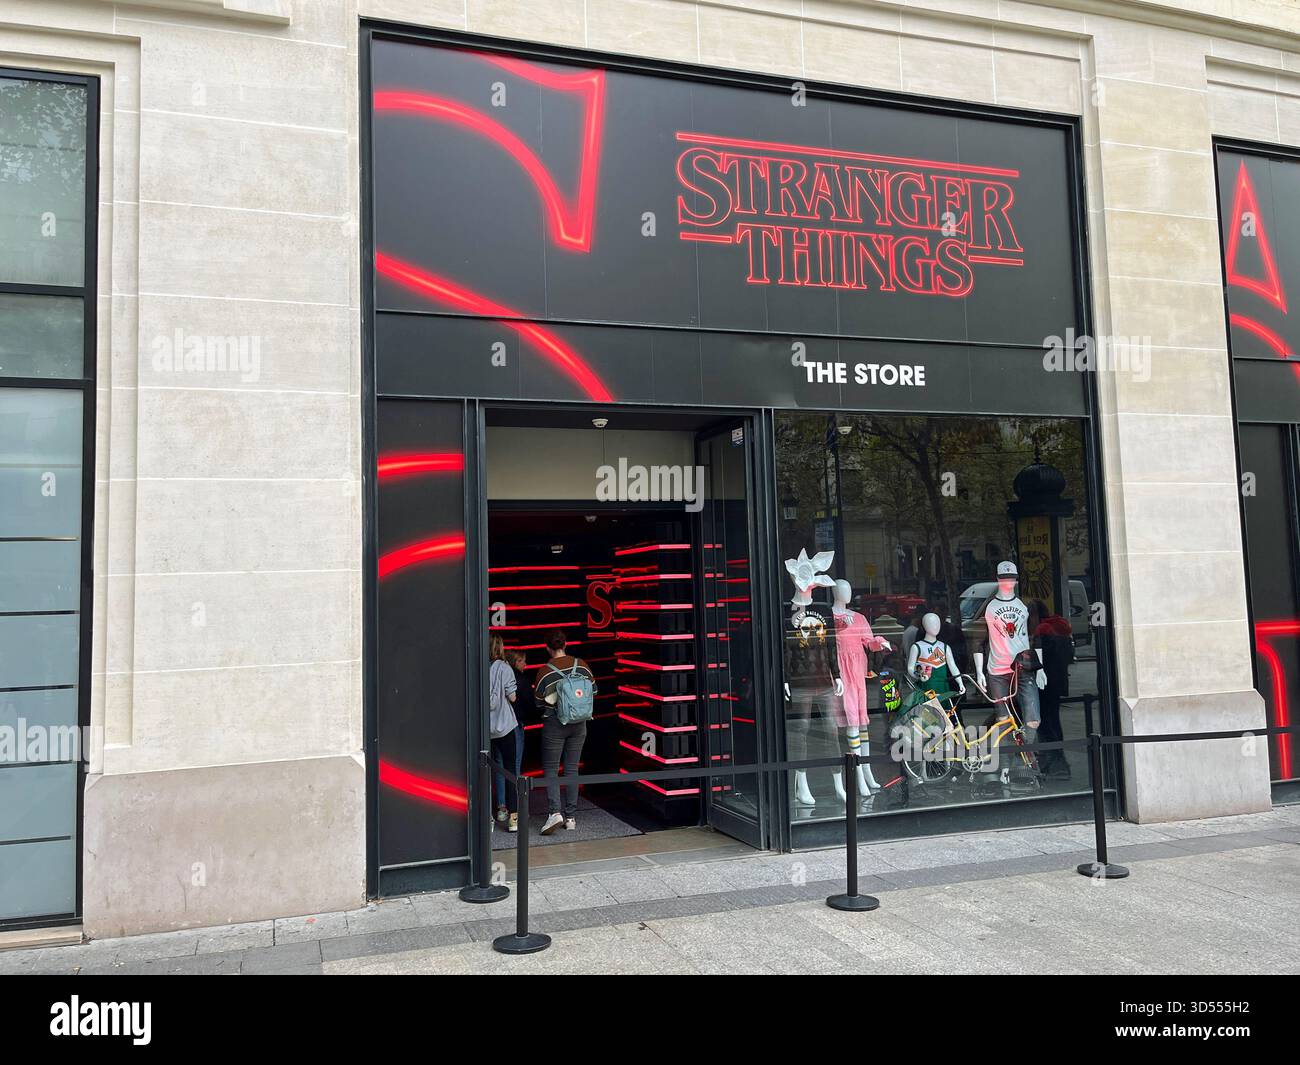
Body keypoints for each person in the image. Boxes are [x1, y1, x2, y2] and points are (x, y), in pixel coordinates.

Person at [534, 629, 595, 835]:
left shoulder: (545, 671)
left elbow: (538, 701)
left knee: (551, 768)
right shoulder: (582, 665)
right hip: (580, 723)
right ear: (565, 644)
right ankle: (571, 817)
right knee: (572, 769)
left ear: (547, 647)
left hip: (555, 723)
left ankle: (554, 813)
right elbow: (593, 691)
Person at [1033, 601, 1075, 779]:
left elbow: (1040, 657)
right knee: (1053, 720)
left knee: (1044, 723)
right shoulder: (1060, 626)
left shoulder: (1043, 630)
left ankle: (1054, 761)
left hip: (1045, 682)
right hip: (1058, 681)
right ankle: (1056, 760)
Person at [487, 635, 520, 833]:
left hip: (486, 728)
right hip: (505, 727)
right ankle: (513, 818)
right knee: (510, 772)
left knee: (488, 770)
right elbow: (513, 697)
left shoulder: (480, 667)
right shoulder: (505, 668)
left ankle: (494, 813)